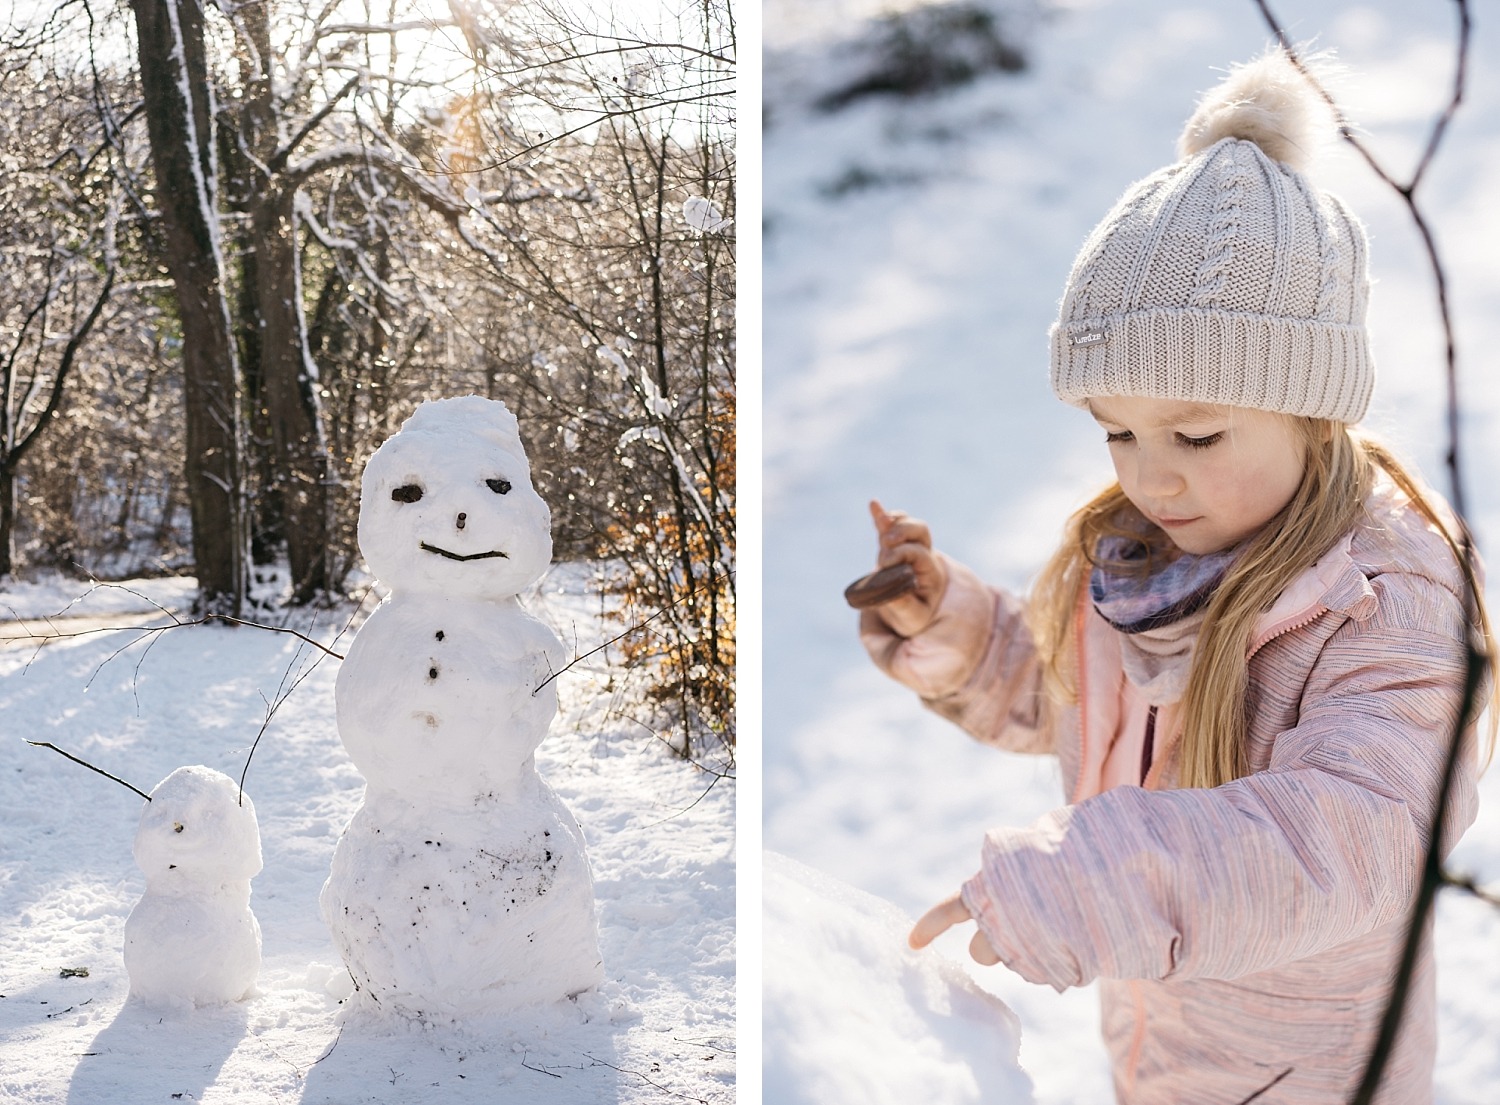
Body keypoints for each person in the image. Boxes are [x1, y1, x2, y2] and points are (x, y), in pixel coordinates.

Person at [859, 50, 1496, 1104]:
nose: (1151, 476)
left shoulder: (1387, 596)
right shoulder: (1145, 560)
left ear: (1311, 405)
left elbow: (1359, 828)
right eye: (1117, 432)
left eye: (1196, 433)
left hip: (1318, 1067)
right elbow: (1074, 704)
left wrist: (1101, 876)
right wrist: (961, 632)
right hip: (1161, 1042)